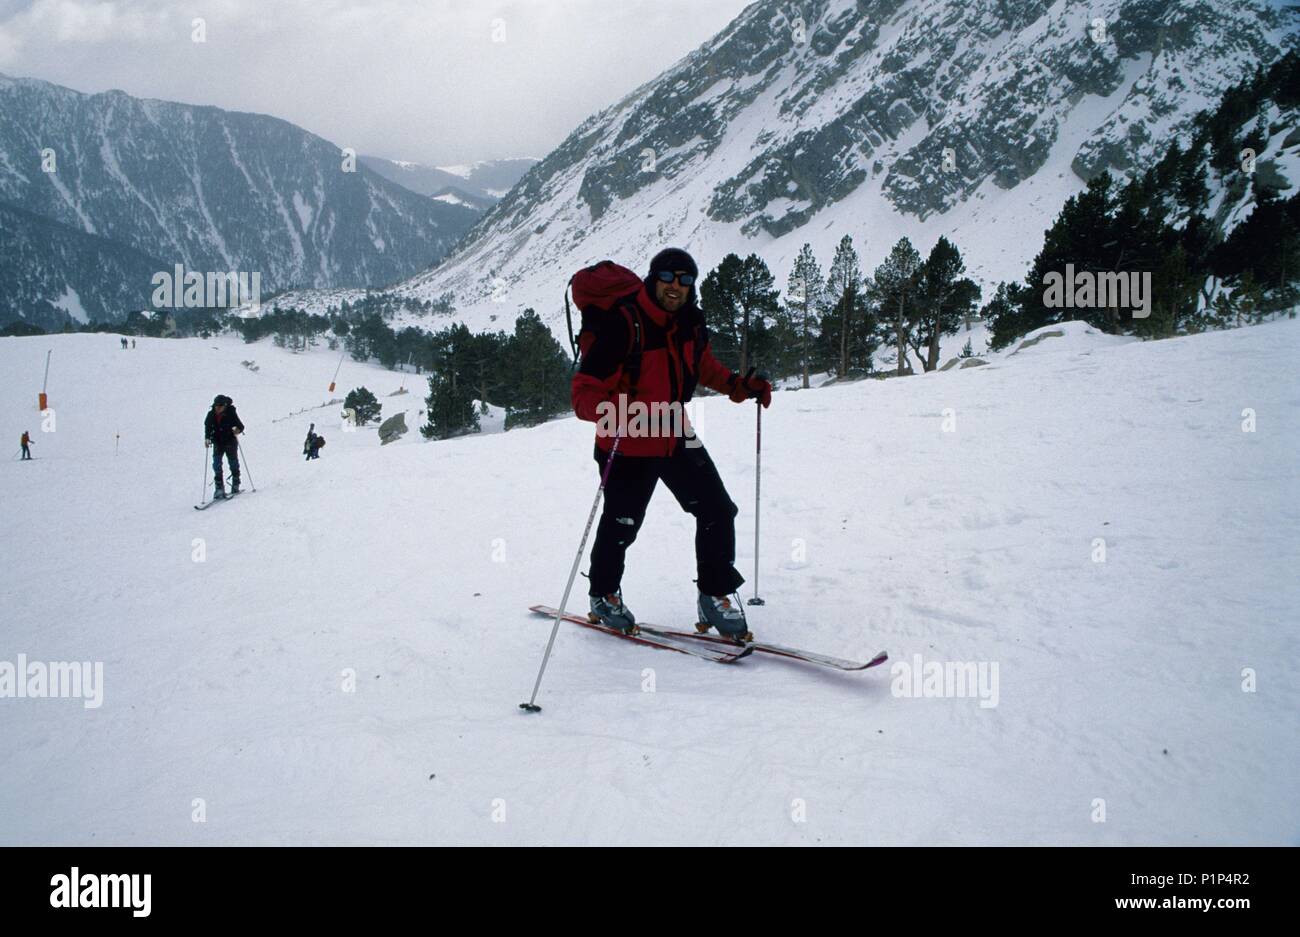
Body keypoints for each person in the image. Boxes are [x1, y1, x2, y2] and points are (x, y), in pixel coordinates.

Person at [571, 247, 772, 640]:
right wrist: (612, 410)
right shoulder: (623, 325)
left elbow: (704, 367)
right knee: (622, 523)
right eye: (667, 277)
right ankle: (602, 594)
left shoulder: (691, 325)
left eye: (685, 279)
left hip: (673, 431)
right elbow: (583, 392)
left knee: (717, 509)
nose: (675, 286)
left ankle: (714, 595)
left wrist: (739, 387)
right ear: (653, 278)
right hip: (626, 440)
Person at [204, 395, 244, 498]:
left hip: (230, 441)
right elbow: (208, 427)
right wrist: (207, 438)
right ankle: (219, 488)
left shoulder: (230, 413)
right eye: (216, 405)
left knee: (233, 462)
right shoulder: (211, 414)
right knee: (216, 464)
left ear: (225, 405)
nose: (218, 407)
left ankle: (236, 483)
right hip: (217, 442)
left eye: (220, 405)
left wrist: (237, 430)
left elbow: (241, 426)